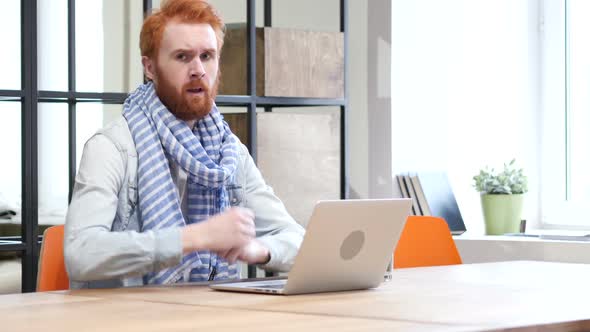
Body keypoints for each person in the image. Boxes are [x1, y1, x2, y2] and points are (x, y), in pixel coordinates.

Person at [64, 0, 304, 289]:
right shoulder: (112, 147)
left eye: (207, 56)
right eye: (182, 57)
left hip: (206, 314)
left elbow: (298, 240)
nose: (198, 70)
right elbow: (80, 253)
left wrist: (258, 249)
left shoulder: (229, 152)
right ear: (149, 67)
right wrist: (194, 238)